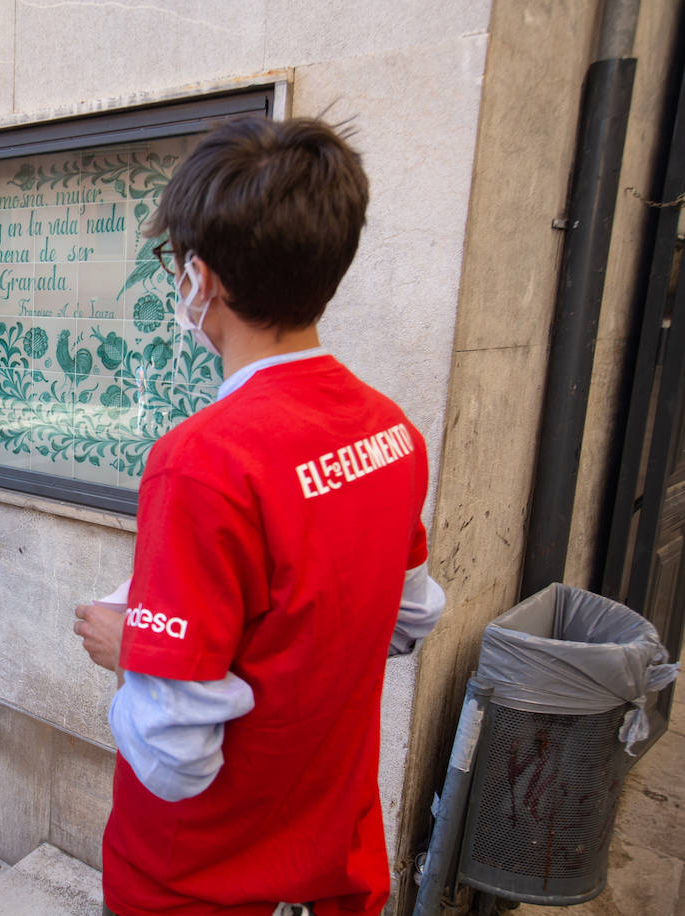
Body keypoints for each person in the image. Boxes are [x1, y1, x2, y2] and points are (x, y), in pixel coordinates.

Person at [72, 117, 446, 916]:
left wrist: (131, 644)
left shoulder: (201, 461)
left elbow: (175, 757)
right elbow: (406, 620)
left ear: (200, 281)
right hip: (333, 847)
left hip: (199, 874)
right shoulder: (394, 433)